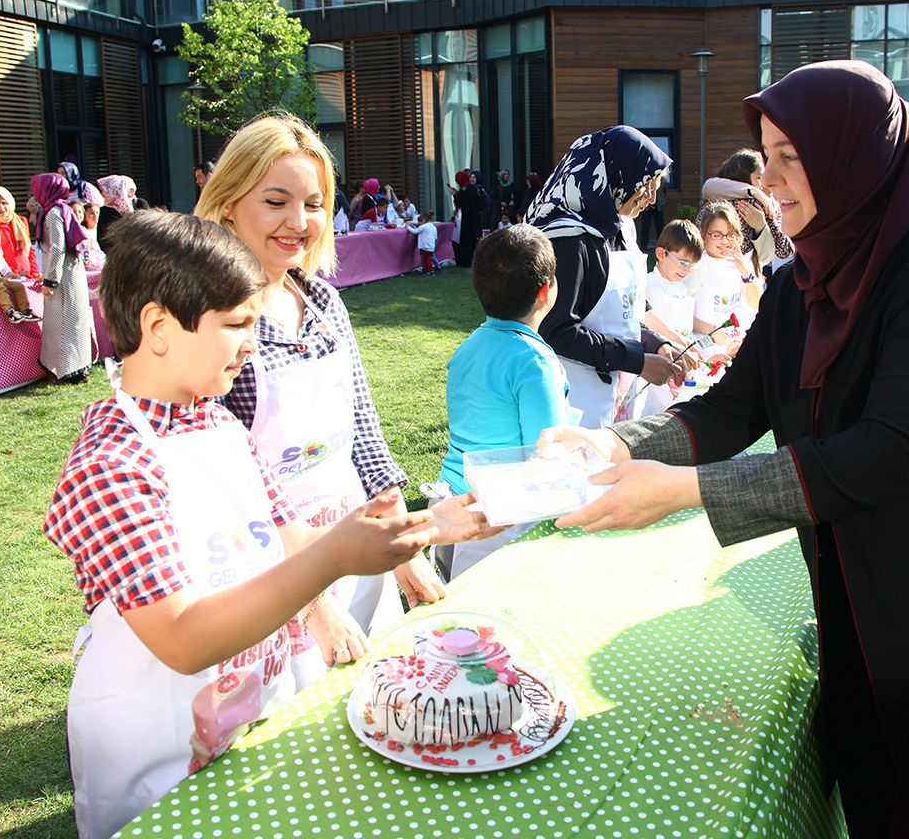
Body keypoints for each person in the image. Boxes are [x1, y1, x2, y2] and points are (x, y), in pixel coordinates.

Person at [544, 61, 909, 837]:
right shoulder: (797, 285)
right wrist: (610, 440)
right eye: (768, 155)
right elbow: (727, 410)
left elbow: (892, 449)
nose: (771, 183)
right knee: (889, 781)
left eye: (796, 157)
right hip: (896, 572)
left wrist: (687, 493)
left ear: (859, 157)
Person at [47, 210, 496, 839]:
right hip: (158, 755)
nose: (253, 344)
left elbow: (293, 540)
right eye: (236, 325)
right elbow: (182, 639)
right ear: (157, 327)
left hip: (250, 714)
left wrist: (432, 529)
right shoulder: (110, 466)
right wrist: (334, 559)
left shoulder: (221, 423)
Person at [196, 115, 450, 673]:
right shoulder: (214, 322)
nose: (298, 221)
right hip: (269, 566)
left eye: (313, 204)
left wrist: (398, 545)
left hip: (352, 540)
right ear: (228, 203)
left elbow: (362, 431)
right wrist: (312, 603)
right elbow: (229, 483)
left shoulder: (324, 304)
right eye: (276, 201)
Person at [432, 224, 569, 581]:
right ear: (546, 290)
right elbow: (547, 454)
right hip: (497, 518)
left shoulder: (468, 347)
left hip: (449, 499)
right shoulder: (537, 363)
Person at [530, 126, 684, 429]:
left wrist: (656, 343)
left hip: (619, 391)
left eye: (657, 188)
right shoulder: (569, 239)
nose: (651, 199)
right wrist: (637, 361)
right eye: (646, 186)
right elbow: (556, 331)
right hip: (576, 398)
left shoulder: (621, 226)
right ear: (617, 175)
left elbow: (622, 312)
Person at [32, 172, 94, 384]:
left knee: (63, 322)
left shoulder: (52, 213)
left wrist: (50, 280)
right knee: (74, 321)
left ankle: (68, 370)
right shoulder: (63, 210)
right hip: (71, 272)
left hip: (63, 276)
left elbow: (57, 247)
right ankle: (76, 368)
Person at [702, 148, 794, 280]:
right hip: (744, 278)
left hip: (714, 276)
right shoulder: (755, 202)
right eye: (759, 177)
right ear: (743, 175)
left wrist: (760, 226)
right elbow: (783, 251)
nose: (763, 183)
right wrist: (753, 192)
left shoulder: (710, 202)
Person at [643, 219, 705, 413]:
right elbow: (654, 330)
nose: (687, 271)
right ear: (661, 254)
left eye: (693, 266)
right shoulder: (652, 286)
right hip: (659, 369)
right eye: (683, 263)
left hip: (678, 364)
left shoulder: (680, 287)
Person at [692, 202, 761, 340]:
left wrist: (745, 272)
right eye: (717, 235)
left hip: (736, 344)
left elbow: (758, 303)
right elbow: (683, 313)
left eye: (731, 235)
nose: (725, 241)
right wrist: (713, 332)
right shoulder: (697, 266)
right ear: (703, 235)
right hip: (706, 347)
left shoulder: (741, 264)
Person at [0, 186, 37, 280]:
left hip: (27, 274)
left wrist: (34, 272)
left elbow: (29, 249)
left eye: (4, 203)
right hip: (6, 276)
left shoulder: (21, 221)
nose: (1, 208)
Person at [452, 169, 487, 266]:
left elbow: (459, 203)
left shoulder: (464, 190)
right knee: (475, 239)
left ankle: (467, 260)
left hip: (467, 218)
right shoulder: (473, 188)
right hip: (475, 217)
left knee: (467, 239)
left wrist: (455, 195)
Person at [96, 175, 136, 250]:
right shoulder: (104, 211)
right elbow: (102, 238)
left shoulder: (139, 204)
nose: (103, 195)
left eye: (105, 191)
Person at [404, 211, 440, 275]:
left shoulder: (423, 227)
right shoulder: (433, 227)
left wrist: (408, 227)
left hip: (425, 246)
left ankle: (427, 271)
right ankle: (432, 269)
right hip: (431, 245)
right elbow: (435, 236)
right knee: (430, 258)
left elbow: (415, 231)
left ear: (423, 220)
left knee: (426, 259)